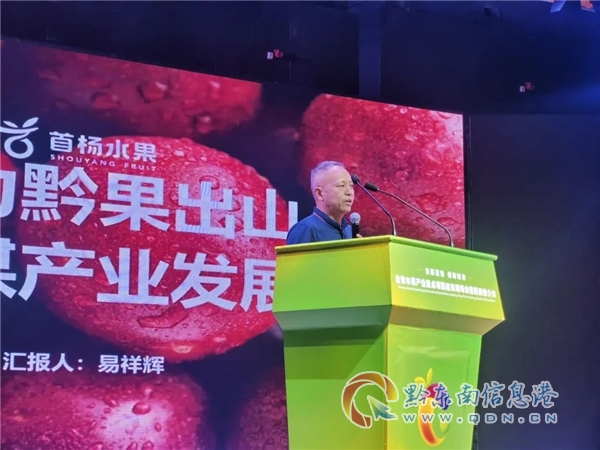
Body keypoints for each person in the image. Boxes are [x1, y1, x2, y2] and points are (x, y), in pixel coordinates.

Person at [286, 160, 358, 245]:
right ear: (319, 193)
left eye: (351, 186)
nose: (349, 192)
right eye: (341, 185)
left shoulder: (350, 231)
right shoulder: (305, 229)